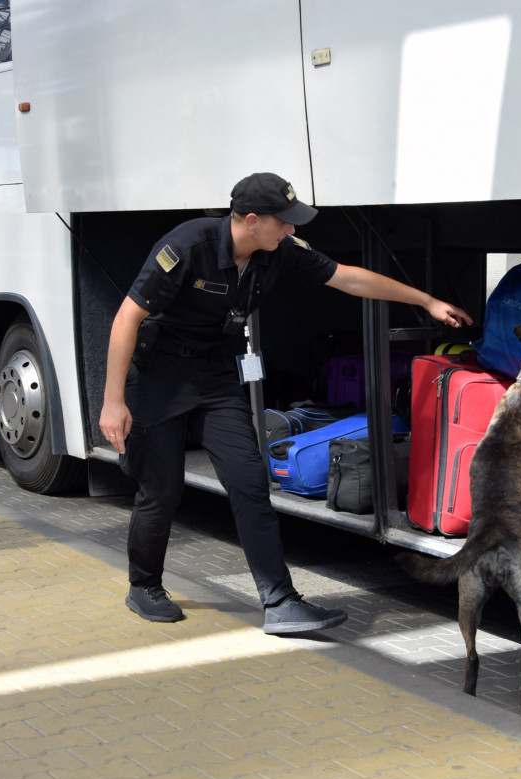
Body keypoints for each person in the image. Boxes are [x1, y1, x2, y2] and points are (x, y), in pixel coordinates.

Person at [100, 172, 473, 633]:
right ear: (252, 220)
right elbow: (127, 318)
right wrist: (113, 401)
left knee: (250, 480)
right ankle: (144, 586)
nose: (292, 230)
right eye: (285, 222)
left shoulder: (276, 254)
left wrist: (428, 301)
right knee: (162, 490)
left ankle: (279, 602)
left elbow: (350, 280)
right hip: (159, 378)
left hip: (215, 378)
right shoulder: (188, 245)